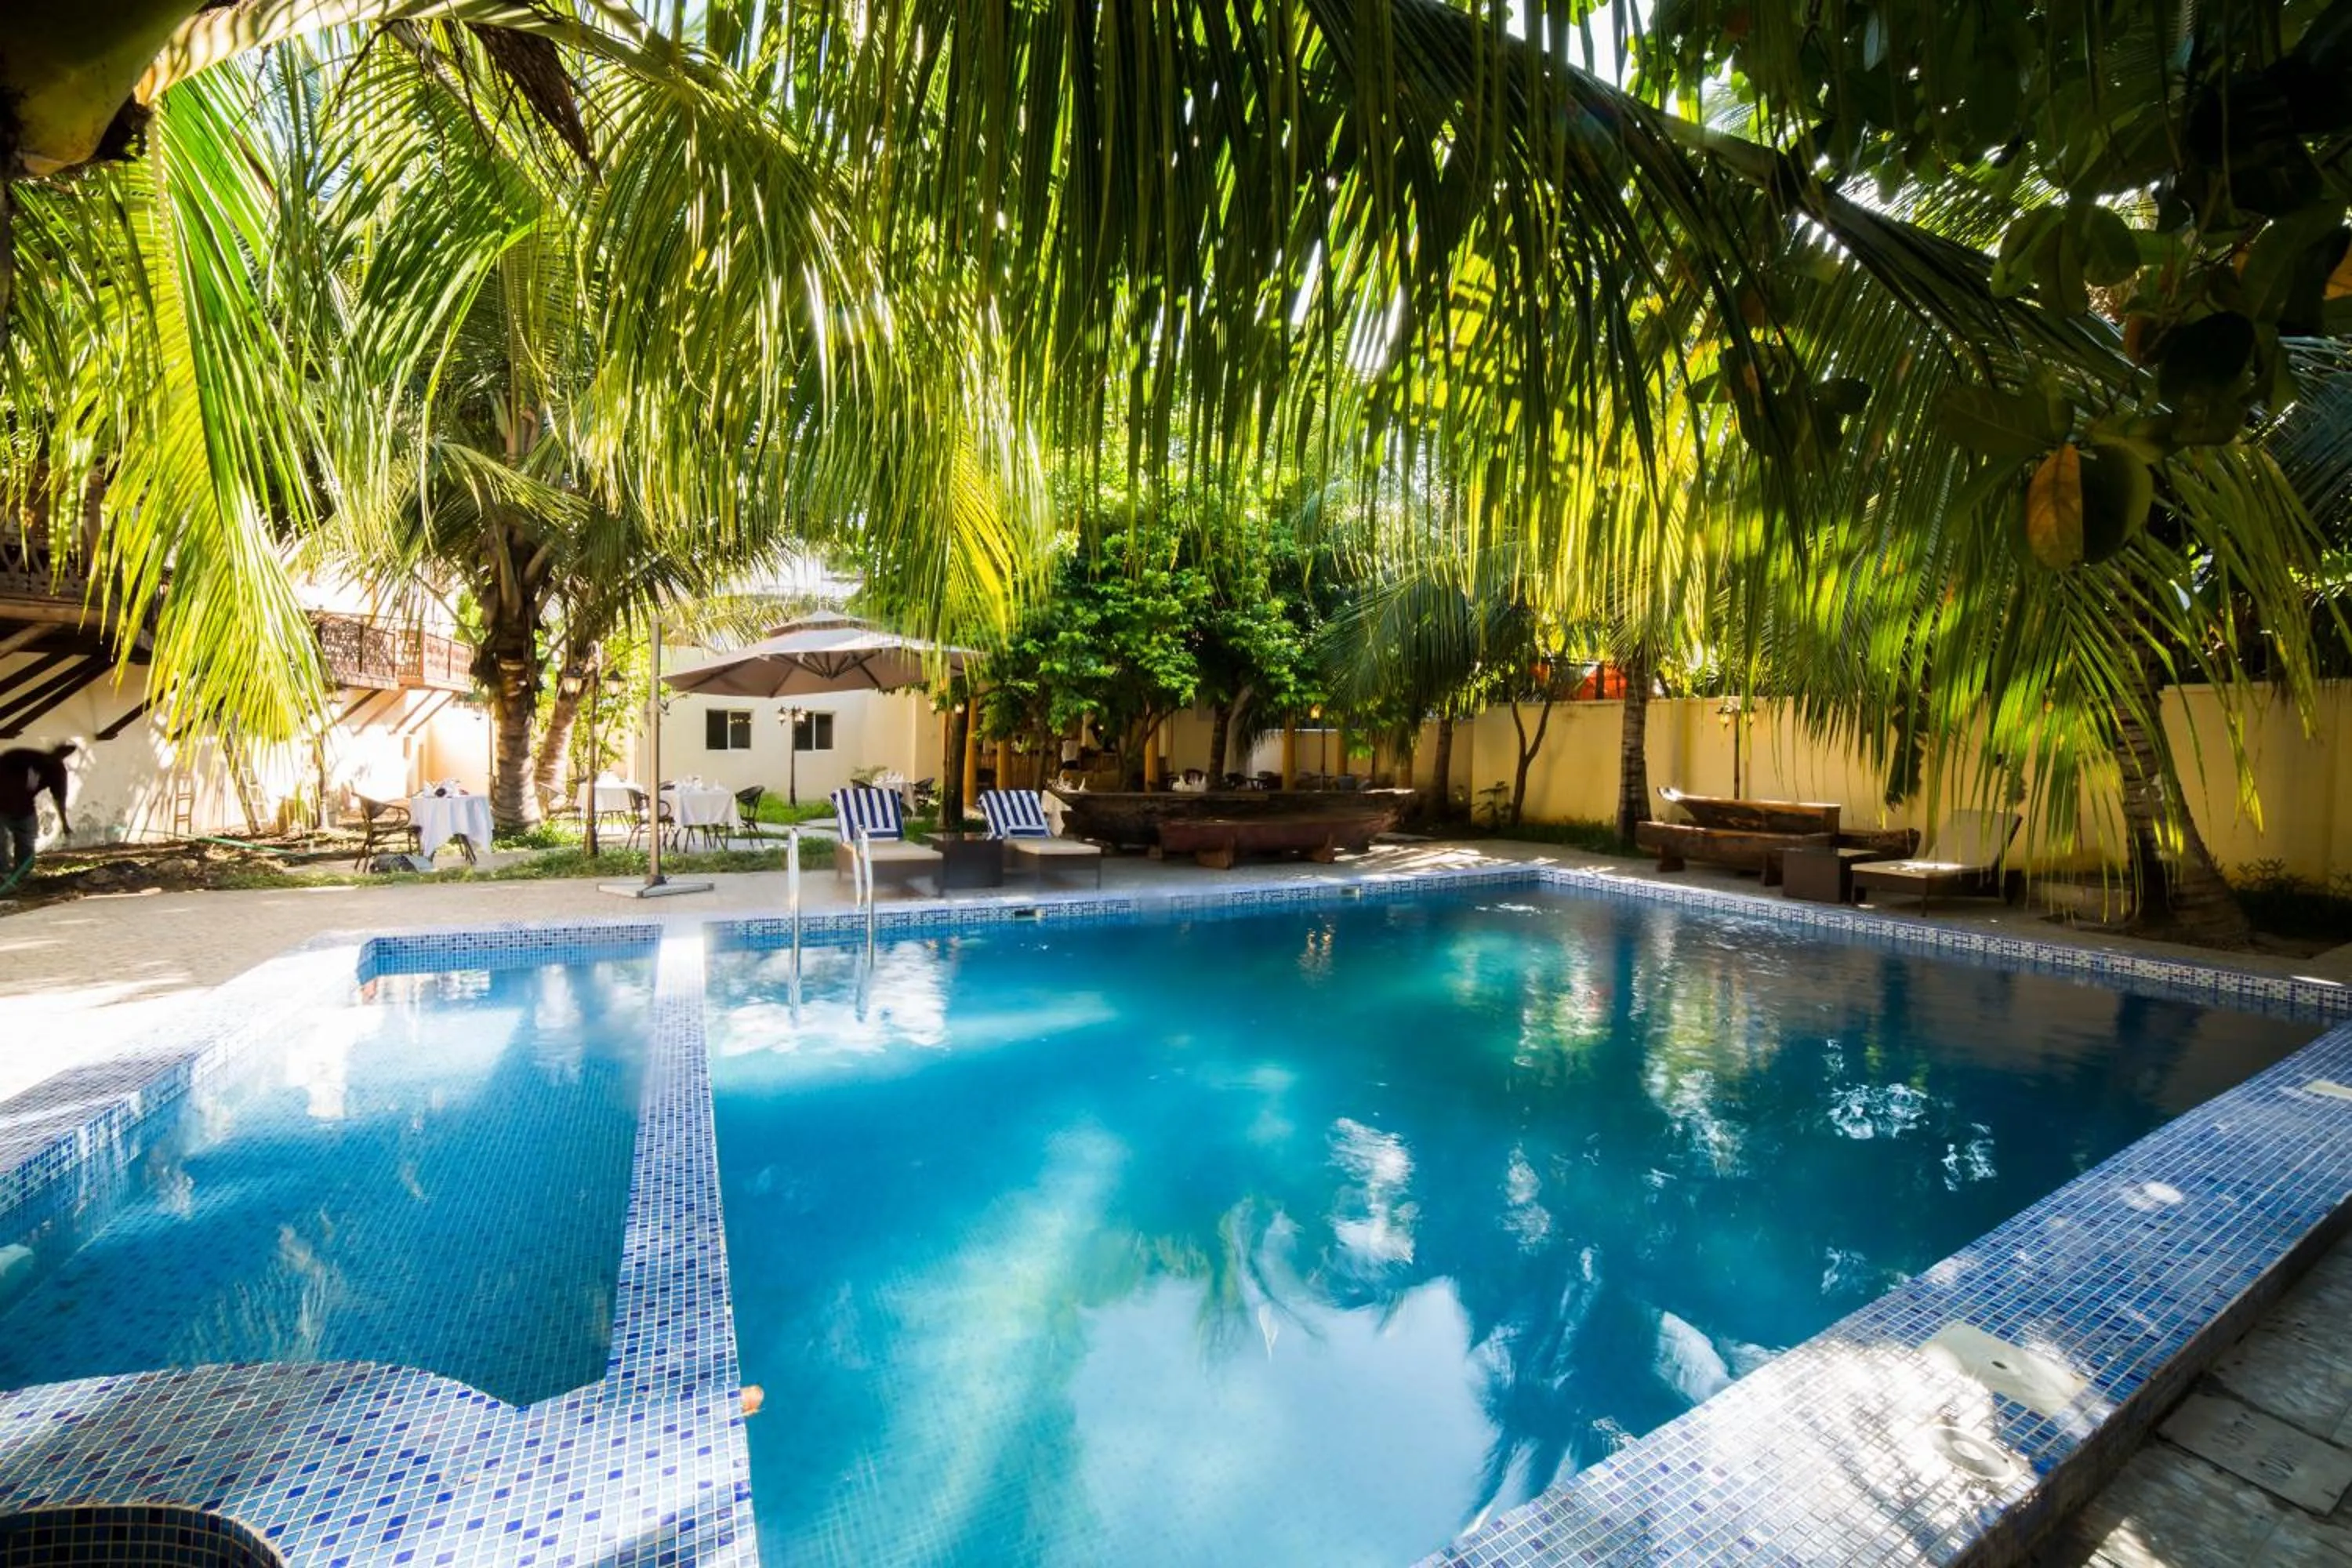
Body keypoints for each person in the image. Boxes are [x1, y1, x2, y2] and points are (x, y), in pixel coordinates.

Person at [0, 741, 74, 887]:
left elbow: (60, 798)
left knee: (26, 841)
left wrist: (64, 823)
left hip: (24, 808)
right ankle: (3, 872)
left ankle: (22, 874)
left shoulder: (57, 771)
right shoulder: (21, 756)